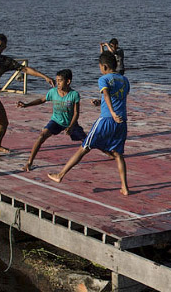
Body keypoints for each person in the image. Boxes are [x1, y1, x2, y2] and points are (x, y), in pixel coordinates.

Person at [47, 51, 130, 195]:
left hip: (106, 119)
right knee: (118, 154)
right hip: (122, 121)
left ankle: (60, 175)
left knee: (84, 147)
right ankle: (124, 187)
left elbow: (106, 94)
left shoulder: (103, 79)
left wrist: (111, 113)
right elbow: (117, 98)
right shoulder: (124, 80)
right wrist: (101, 103)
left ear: (103, 66)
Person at [16, 68, 85, 172]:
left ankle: (111, 153)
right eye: (56, 80)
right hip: (56, 121)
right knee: (41, 136)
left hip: (70, 123)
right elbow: (41, 100)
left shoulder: (74, 95)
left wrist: (70, 127)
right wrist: (26, 105)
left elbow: (76, 113)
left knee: (88, 141)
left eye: (60, 80)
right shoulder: (53, 92)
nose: (57, 83)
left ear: (68, 81)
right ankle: (29, 162)